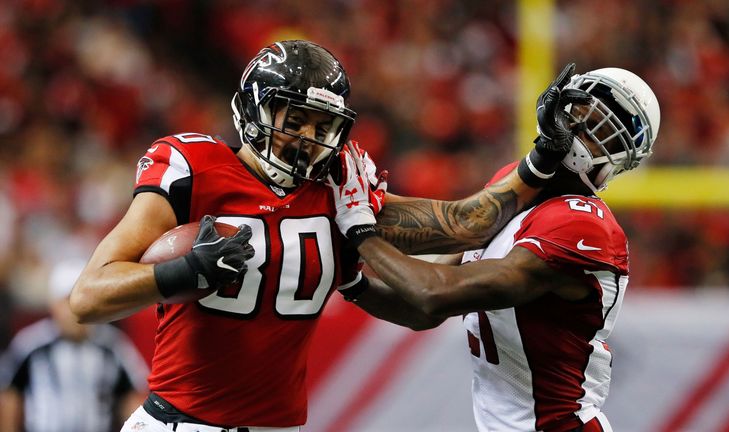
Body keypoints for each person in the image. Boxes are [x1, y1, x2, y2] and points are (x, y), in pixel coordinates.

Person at [68, 40, 581, 431]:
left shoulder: (339, 194)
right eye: (295, 120)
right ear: (253, 111)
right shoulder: (193, 168)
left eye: (322, 126)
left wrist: (542, 158)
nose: (307, 139)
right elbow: (88, 298)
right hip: (179, 423)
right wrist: (186, 270)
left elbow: (469, 223)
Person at [330, 67, 660, 432]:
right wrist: (351, 283)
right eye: (578, 116)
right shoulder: (521, 185)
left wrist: (361, 230)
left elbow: (436, 293)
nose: (578, 132)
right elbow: (419, 308)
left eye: (600, 132)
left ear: (620, 157)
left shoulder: (585, 224)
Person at [0, 259, 148, 432]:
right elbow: (10, 398)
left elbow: (132, 399)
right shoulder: (31, 344)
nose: (76, 309)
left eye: (84, 300)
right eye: (67, 301)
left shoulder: (113, 346)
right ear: (53, 305)